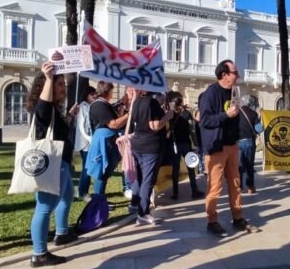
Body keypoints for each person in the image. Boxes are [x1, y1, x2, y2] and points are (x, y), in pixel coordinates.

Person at [25, 61, 78, 268]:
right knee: (45, 207)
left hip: (62, 162)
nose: (63, 87)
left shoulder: (53, 110)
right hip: (53, 164)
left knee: (66, 196)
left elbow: (58, 129)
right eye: (59, 84)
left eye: (63, 84)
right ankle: (39, 254)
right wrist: (49, 77)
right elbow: (44, 106)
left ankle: (62, 233)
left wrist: (70, 116)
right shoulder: (43, 106)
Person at [199, 59, 260, 237]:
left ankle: (238, 218)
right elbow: (205, 121)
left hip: (233, 145)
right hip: (216, 147)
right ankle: (212, 221)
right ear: (224, 75)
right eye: (235, 72)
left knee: (235, 183)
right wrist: (225, 115)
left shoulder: (235, 92)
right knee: (215, 187)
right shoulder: (211, 93)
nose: (238, 75)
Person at [129, 89, 173, 225]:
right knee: (148, 180)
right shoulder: (152, 103)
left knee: (141, 177)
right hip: (150, 146)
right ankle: (143, 213)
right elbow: (154, 126)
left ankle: (135, 204)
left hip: (137, 143)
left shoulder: (136, 101)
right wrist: (167, 116)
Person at [87, 81, 129, 196]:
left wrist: (122, 103)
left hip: (107, 141)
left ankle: (101, 198)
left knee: (105, 172)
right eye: (112, 90)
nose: (112, 92)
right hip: (103, 142)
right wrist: (129, 114)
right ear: (107, 91)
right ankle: (99, 199)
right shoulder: (99, 105)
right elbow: (113, 124)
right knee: (102, 171)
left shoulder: (104, 104)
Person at [168, 93, 204, 200]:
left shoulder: (169, 114)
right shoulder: (187, 113)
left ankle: (175, 193)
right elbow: (192, 130)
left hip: (174, 144)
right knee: (191, 168)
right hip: (186, 144)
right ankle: (194, 191)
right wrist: (196, 144)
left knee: (175, 169)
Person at [73, 86, 97, 200]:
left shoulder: (89, 106)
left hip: (88, 141)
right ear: (86, 95)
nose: (94, 96)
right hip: (85, 142)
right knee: (87, 168)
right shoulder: (83, 106)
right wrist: (89, 138)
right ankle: (82, 192)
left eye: (95, 94)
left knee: (87, 167)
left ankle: (82, 191)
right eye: (92, 94)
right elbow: (82, 125)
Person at [237, 94, 259, 194]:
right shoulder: (253, 114)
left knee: (239, 165)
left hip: (238, 142)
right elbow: (259, 129)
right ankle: (250, 187)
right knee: (250, 165)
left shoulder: (236, 112)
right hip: (250, 141)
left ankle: (239, 187)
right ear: (250, 103)